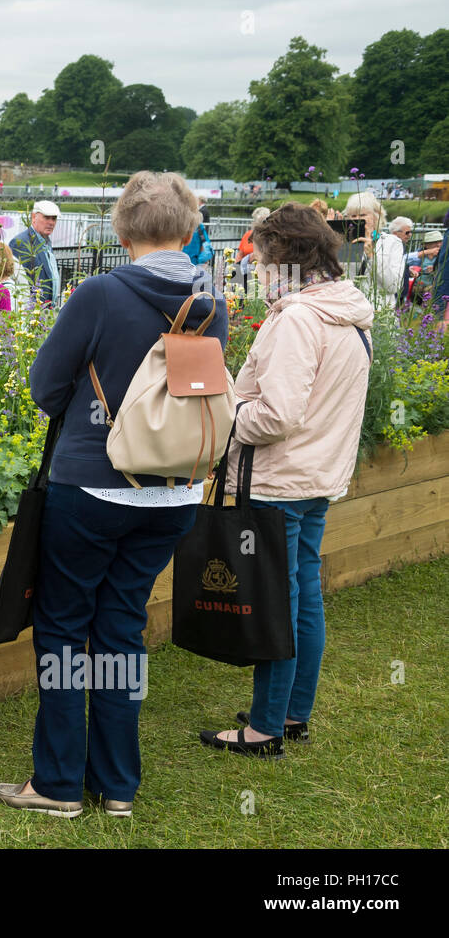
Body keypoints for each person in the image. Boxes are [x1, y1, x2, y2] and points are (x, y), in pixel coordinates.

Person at [0, 170, 226, 818]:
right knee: (122, 629)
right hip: (176, 492)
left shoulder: (99, 293)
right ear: (188, 228)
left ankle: (59, 784)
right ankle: (118, 785)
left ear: (123, 229)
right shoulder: (212, 300)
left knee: (65, 629)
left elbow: (45, 387)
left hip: (93, 487)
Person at [199, 202, 373, 757]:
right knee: (303, 599)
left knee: (278, 602)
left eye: (263, 256)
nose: (258, 267)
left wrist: (227, 419)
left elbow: (277, 415)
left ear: (287, 259)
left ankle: (265, 728)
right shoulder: (344, 312)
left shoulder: (299, 318)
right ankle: (293, 713)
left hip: (279, 483)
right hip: (317, 478)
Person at [8, 200, 61, 306]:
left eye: (54, 218)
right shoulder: (21, 243)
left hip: (46, 308)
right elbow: (18, 281)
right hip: (32, 310)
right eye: (46, 217)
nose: (51, 222)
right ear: (33, 217)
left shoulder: (46, 242)